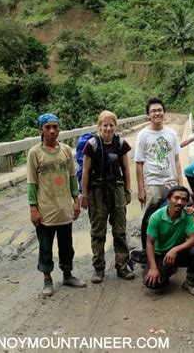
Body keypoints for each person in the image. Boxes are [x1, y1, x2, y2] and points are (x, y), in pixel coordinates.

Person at [27, 113, 86, 297]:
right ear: (41, 130)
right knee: (45, 247)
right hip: (46, 211)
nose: (52, 131)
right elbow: (32, 183)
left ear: (59, 128)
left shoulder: (66, 150)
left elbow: (71, 177)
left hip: (64, 209)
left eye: (55, 127)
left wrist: (76, 201)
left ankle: (67, 275)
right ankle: (47, 279)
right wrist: (33, 209)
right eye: (47, 128)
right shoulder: (35, 153)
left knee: (66, 245)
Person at [81, 110, 134, 283]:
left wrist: (127, 191)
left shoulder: (120, 143)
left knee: (120, 231)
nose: (109, 128)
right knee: (98, 231)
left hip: (117, 189)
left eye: (111, 125)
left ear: (115, 126)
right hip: (96, 191)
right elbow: (86, 171)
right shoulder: (92, 145)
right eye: (105, 125)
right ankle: (99, 268)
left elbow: (126, 169)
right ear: (99, 126)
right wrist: (84, 195)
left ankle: (122, 266)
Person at [143, 186, 194, 297]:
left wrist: (175, 249)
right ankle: (167, 269)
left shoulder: (187, 216)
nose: (180, 202)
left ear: (187, 202)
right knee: (152, 283)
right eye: (176, 198)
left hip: (177, 253)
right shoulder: (156, 216)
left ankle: (191, 282)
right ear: (168, 199)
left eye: (183, 199)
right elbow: (149, 243)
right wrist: (153, 268)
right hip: (159, 254)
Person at [135, 97, 183, 211]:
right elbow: (139, 164)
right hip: (152, 185)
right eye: (153, 111)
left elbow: (176, 160)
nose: (157, 113)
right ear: (148, 115)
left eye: (159, 110)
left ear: (164, 113)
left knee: (172, 216)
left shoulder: (171, 134)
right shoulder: (143, 135)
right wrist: (141, 189)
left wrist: (180, 184)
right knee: (150, 218)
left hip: (171, 183)